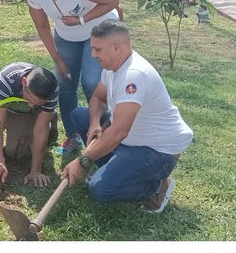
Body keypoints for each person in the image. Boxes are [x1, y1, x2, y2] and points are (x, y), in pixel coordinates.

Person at [60, 20, 193, 213]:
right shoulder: (112, 69)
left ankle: (157, 186)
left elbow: (120, 131)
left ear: (116, 47)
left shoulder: (134, 75)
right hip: (130, 138)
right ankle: (114, 169)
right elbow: (98, 97)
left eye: (97, 49)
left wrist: (83, 160)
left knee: (101, 189)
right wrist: (95, 123)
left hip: (157, 150)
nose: (92, 55)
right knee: (80, 116)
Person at [24, 0, 122, 148]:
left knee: (91, 81)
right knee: (64, 84)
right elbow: (43, 28)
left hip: (98, 31)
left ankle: (102, 132)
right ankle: (73, 136)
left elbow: (113, 0)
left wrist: (81, 20)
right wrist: (57, 59)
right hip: (67, 37)